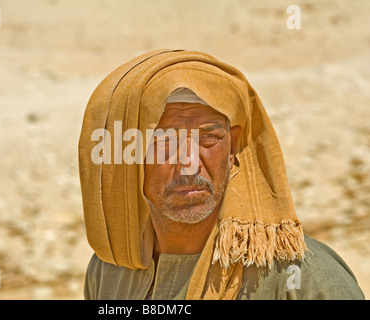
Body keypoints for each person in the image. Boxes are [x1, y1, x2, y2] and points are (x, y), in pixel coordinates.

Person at [78, 49, 364, 300]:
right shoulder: (111, 271)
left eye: (208, 138)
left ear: (233, 146)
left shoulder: (301, 277)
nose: (189, 163)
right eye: (164, 141)